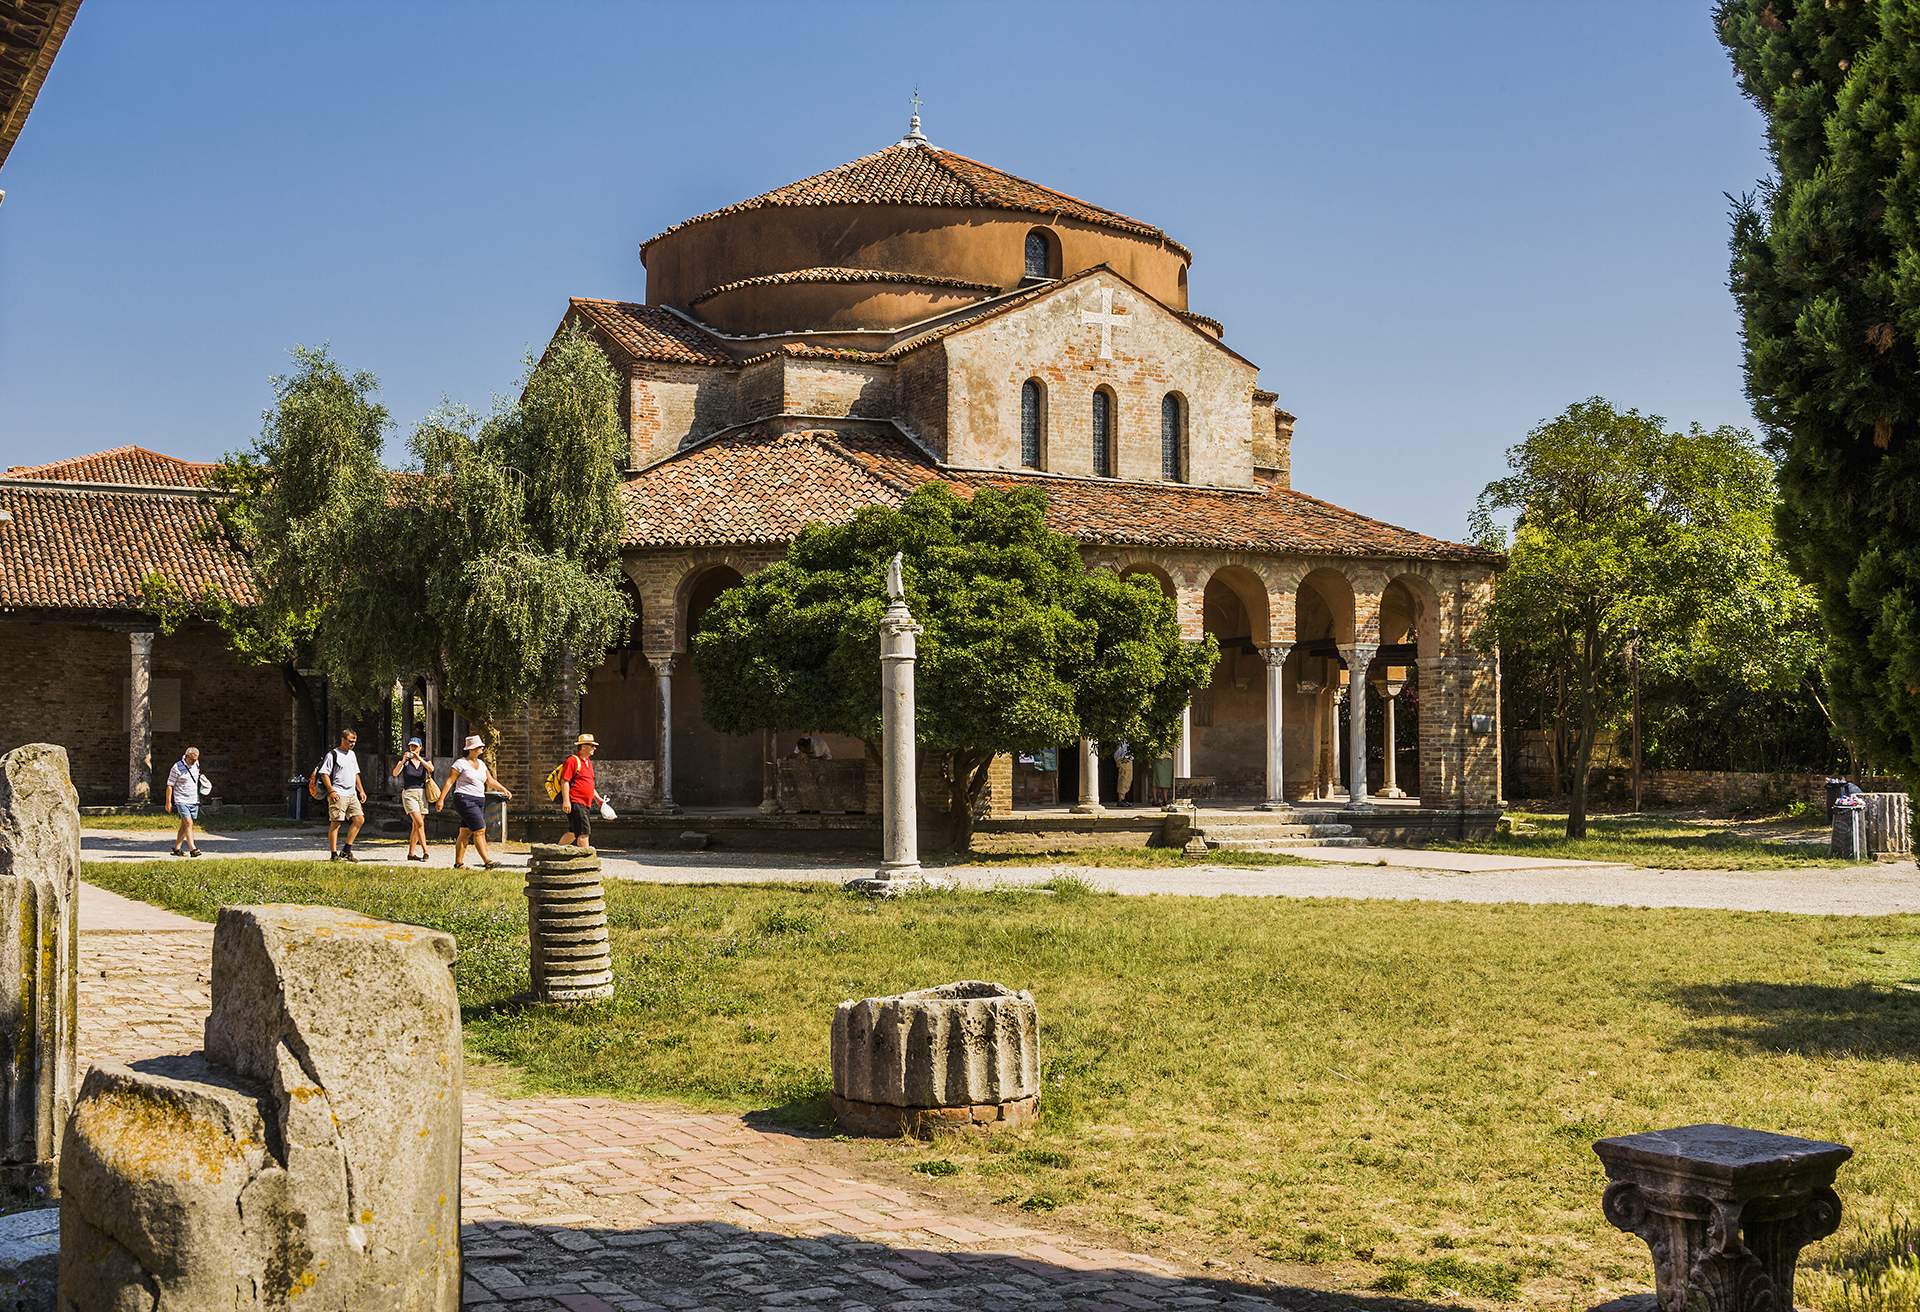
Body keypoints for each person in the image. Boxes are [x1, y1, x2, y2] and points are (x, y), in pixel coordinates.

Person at [437, 734, 512, 869]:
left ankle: (458, 864)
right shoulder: (460, 764)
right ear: (471, 749)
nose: (482, 749)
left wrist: (503, 789)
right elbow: (449, 782)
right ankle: (487, 861)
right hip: (464, 798)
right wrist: (441, 799)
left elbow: (490, 781)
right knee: (480, 829)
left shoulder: (482, 764)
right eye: (479, 747)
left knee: (465, 831)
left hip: (479, 800)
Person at [315, 729, 367, 863]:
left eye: (354, 742)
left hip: (351, 793)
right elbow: (324, 773)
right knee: (336, 823)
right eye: (350, 741)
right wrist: (331, 791)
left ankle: (346, 850)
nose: (352, 744)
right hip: (338, 793)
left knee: (359, 819)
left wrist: (361, 790)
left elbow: (356, 774)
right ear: (343, 740)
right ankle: (333, 854)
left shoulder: (352, 755)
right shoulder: (333, 754)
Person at [555, 733, 608, 848]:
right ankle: (587, 860)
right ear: (583, 746)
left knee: (573, 833)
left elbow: (588, 784)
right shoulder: (573, 761)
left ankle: (555, 852)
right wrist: (566, 801)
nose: (594, 748)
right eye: (592, 745)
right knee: (584, 832)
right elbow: (565, 781)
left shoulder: (588, 762)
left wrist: (597, 798)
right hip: (576, 802)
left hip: (585, 803)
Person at [390, 736, 437, 862]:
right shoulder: (406, 762)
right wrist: (403, 760)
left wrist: (419, 758)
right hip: (409, 793)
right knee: (419, 823)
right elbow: (395, 773)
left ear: (420, 747)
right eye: (411, 746)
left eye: (415, 746)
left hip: (422, 794)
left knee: (416, 825)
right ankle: (426, 851)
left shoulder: (425, 760)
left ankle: (411, 853)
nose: (413, 748)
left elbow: (431, 769)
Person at [164, 746, 210, 858]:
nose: (194, 761)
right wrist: (168, 802)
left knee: (184, 825)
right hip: (181, 799)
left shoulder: (196, 764)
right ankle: (193, 849)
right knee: (189, 823)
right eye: (192, 759)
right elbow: (170, 785)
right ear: (186, 756)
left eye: (196, 759)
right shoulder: (176, 767)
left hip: (194, 799)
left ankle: (177, 849)